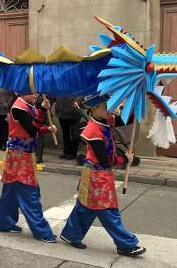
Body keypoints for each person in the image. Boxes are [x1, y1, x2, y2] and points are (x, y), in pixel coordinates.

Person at [60, 94, 146, 257]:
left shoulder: (106, 120)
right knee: (108, 210)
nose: (110, 109)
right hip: (97, 175)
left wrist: (135, 106)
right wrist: (124, 158)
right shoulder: (92, 130)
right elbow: (104, 159)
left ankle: (71, 234)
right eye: (106, 106)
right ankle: (126, 244)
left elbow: (126, 120)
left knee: (86, 207)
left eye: (111, 105)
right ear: (93, 109)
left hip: (99, 174)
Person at [0, 94, 58, 243]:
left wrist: (47, 129)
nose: (36, 94)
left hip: (22, 155)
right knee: (30, 193)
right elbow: (31, 129)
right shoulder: (18, 107)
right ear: (22, 91)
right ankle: (42, 231)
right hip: (19, 157)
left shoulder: (27, 106)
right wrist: (42, 110)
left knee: (10, 192)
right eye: (32, 91)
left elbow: (32, 128)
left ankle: (4, 223)